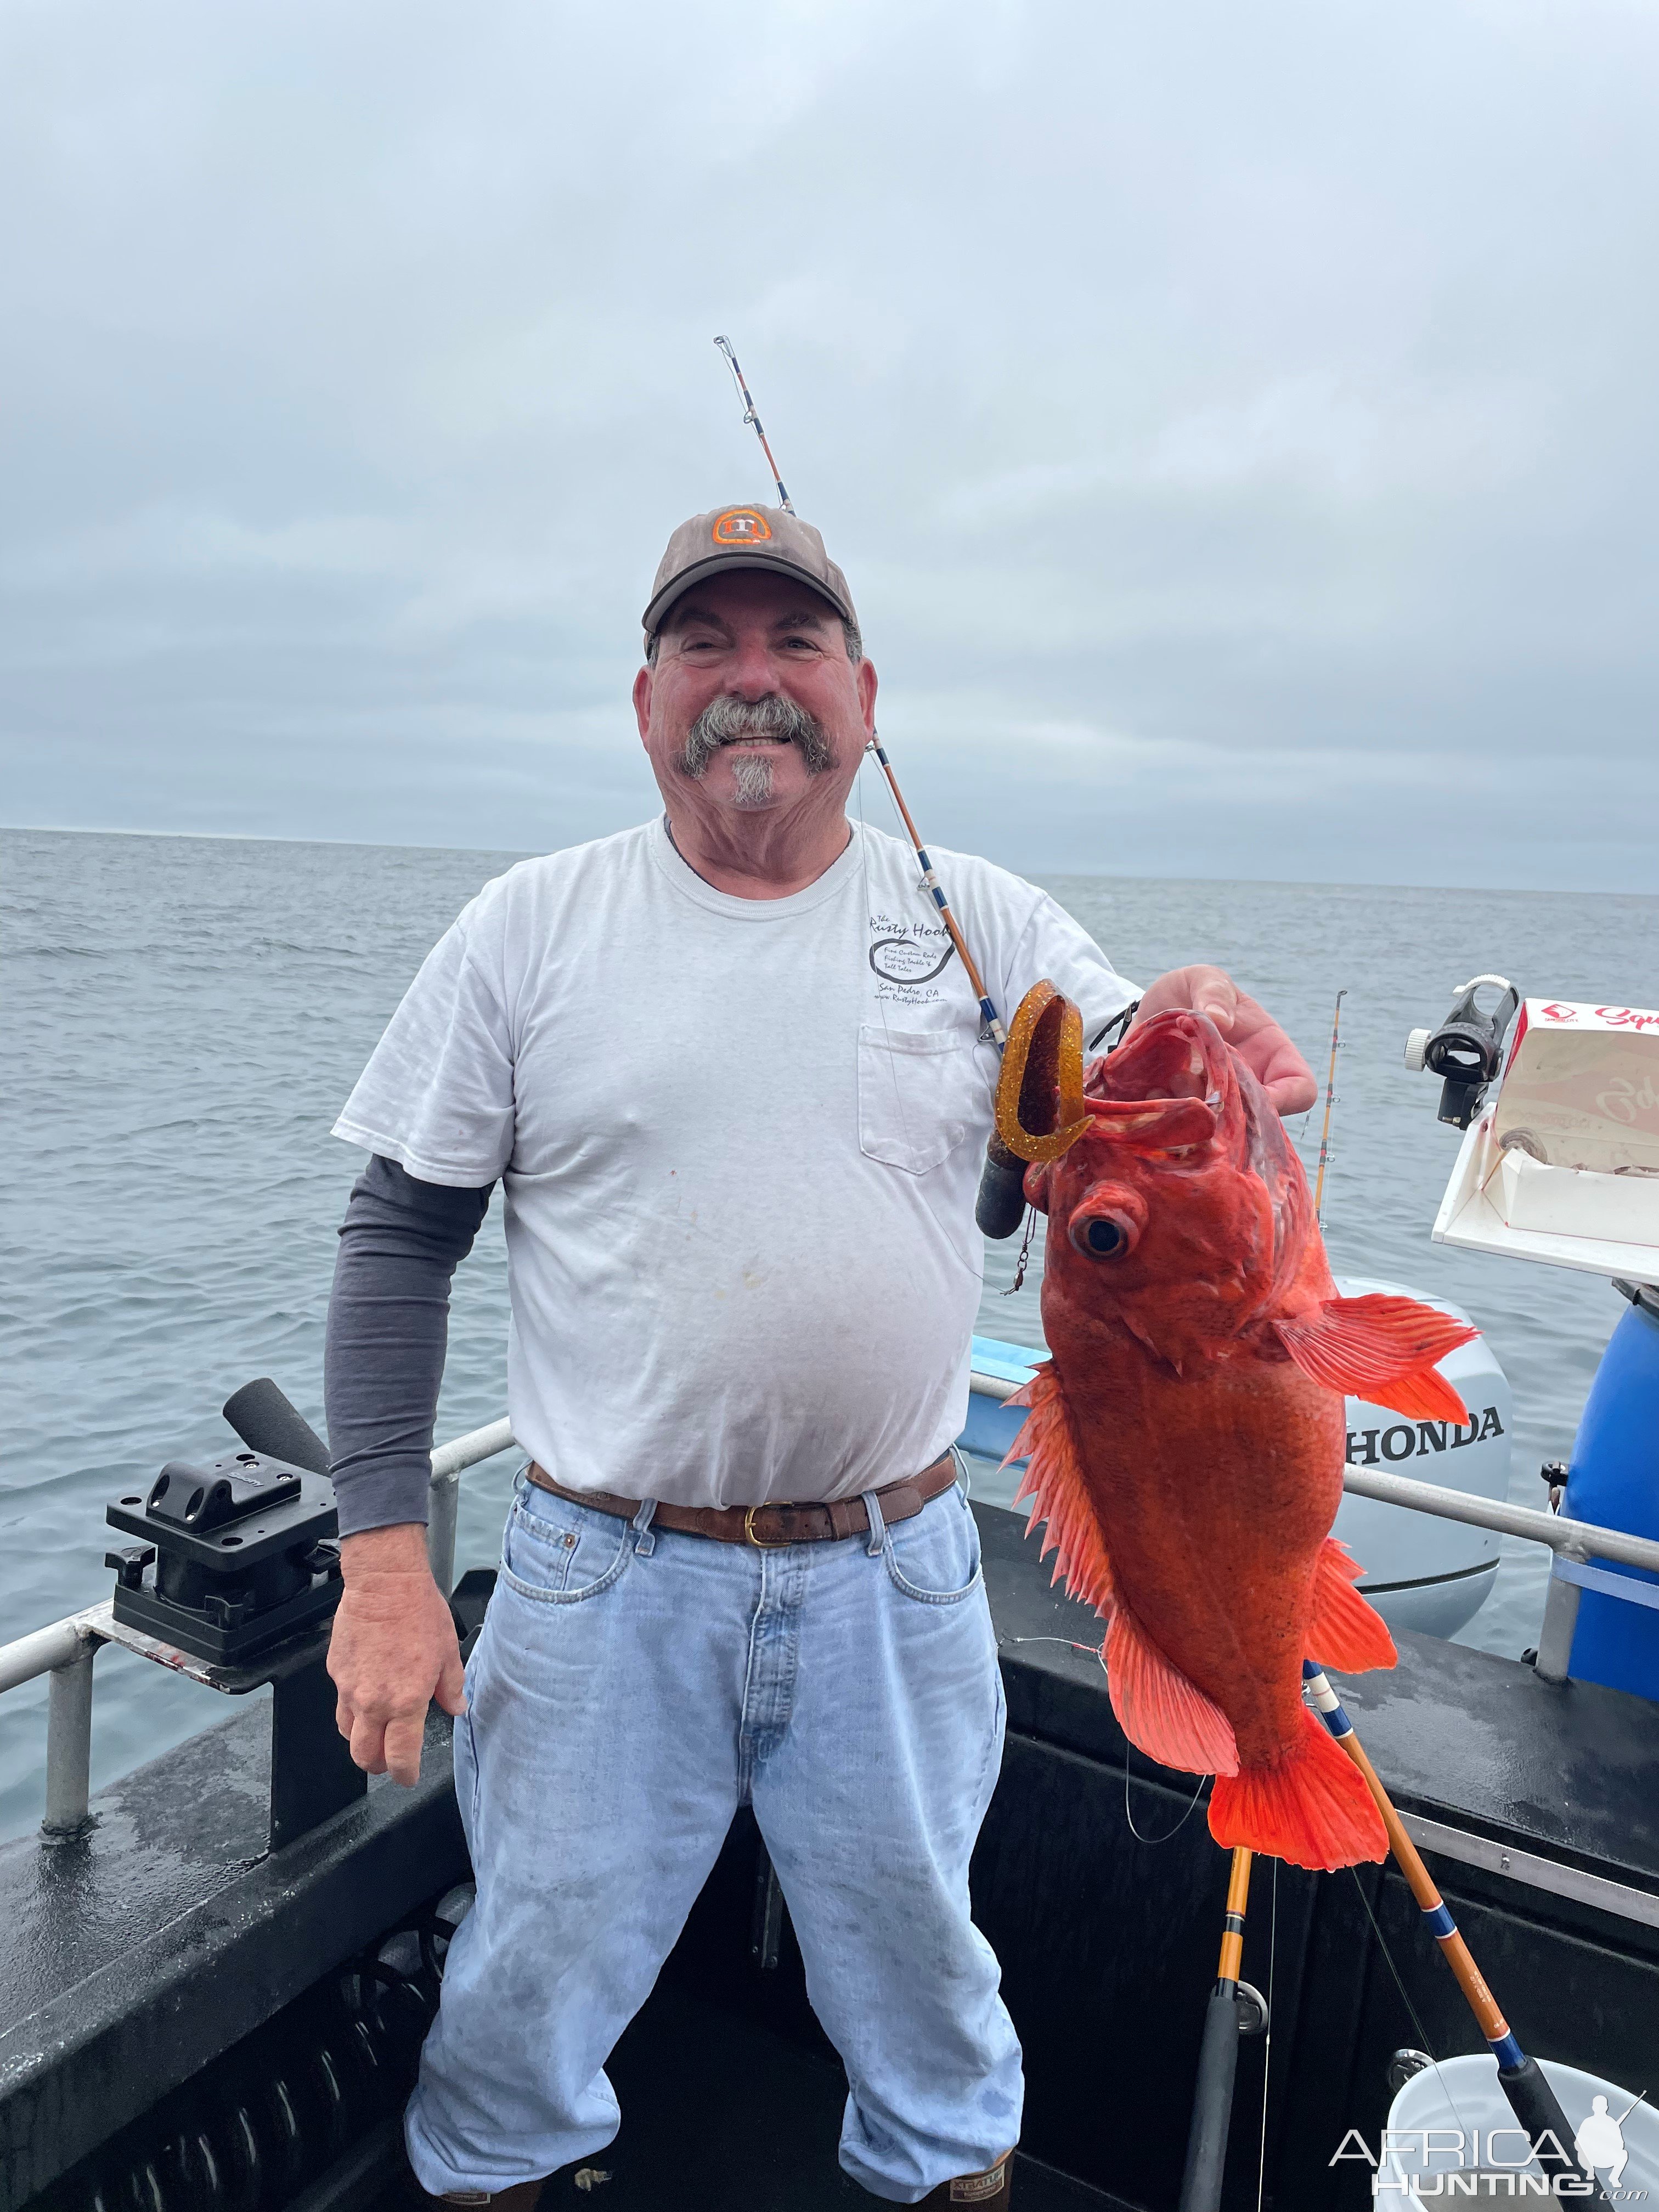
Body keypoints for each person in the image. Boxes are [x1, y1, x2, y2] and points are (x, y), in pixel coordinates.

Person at [323, 501, 1317, 2210]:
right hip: (596, 1575)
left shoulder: (983, 916)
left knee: (927, 1977)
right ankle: (496, 2173)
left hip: (898, 1571)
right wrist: (384, 1565)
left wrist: (1212, 1010)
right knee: (532, 1969)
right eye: (706, 645)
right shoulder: (526, 928)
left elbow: (1141, 1119)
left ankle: (946, 2181)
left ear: (868, 695)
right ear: (644, 703)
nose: (752, 684)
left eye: (795, 644)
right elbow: (396, 1241)